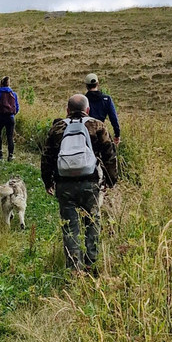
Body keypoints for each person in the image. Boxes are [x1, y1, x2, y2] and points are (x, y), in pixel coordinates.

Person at [40, 94, 118, 275]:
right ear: (88, 110)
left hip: (64, 184)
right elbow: (109, 155)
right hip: (90, 182)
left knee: (70, 226)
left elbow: (47, 157)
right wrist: (111, 181)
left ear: (67, 111)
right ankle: (92, 264)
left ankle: (75, 269)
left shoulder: (57, 128)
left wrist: (47, 181)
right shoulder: (98, 126)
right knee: (92, 222)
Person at [84, 73, 121, 143]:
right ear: (97, 83)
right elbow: (113, 118)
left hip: (86, 133)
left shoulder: (83, 99)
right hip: (101, 132)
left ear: (86, 86)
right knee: (108, 152)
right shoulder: (107, 99)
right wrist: (117, 134)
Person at [0, 76, 20, 161]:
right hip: (10, 118)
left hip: (0, 118)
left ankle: (0, 153)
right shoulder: (13, 94)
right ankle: (10, 155)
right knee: (10, 136)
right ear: (8, 84)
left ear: (1, 84)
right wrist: (12, 114)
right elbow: (17, 108)